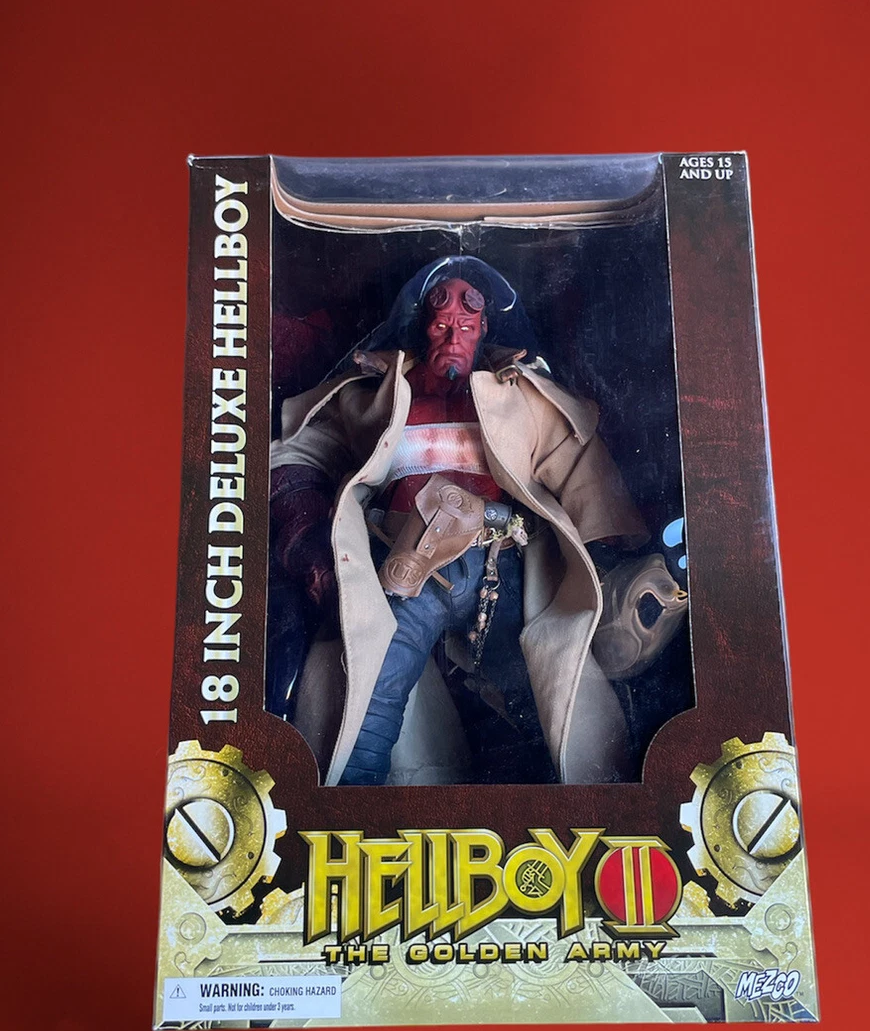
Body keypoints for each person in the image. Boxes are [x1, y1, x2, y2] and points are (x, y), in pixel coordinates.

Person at [267, 256, 651, 787]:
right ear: (421, 326)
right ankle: (346, 810)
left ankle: (584, 804)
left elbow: (580, 461)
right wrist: (305, 532)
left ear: (485, 327)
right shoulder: (379, 398)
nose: (454, 336)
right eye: (442, 324)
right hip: (406, 569)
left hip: (501, 566)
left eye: (466, 326)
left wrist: (612, 553)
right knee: (368, 689)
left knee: (543, 691)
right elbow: (296, 450)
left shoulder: (518, 397)